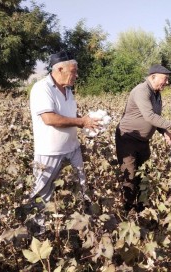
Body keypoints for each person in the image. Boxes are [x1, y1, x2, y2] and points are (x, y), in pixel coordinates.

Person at [28, 51, 100, 234]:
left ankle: (82, 228)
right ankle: (38, 232)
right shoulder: (41, 88)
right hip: (49, 152)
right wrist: (81, 122)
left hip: (72, 149)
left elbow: (68, 117)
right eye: (73, 71)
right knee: (42, 193)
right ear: (59, 68)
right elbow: (50, 118)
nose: (76, 75)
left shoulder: (68, 91)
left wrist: (86, 122)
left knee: (80, 186)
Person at [115, 64, 171, 212]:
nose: (167, 82)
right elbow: (149, 116)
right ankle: (127, 211)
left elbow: (155, 117)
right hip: (128, 138)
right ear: (152, 77)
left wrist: (165, 132)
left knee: (143, 175)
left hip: (143, 141)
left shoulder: (156, 93)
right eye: (165, 79)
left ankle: (142, 209)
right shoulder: (141, 91)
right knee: (130, 175)